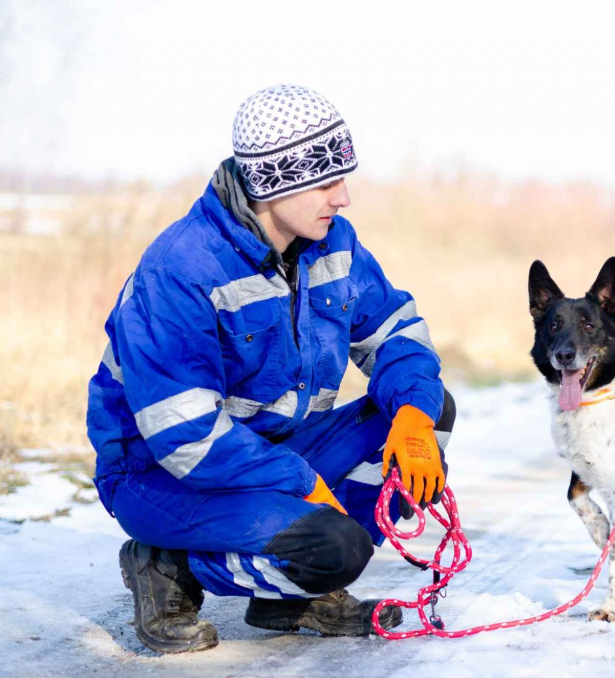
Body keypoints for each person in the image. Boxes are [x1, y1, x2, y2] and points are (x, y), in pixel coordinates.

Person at [86, 84, 455, 654]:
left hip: (274, 446)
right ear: (272, 182)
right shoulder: (181, 269)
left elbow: (396, 332)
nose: (345, 197)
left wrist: (413, 417)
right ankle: (168, 564)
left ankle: (293, 591)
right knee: (336, 549)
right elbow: (184, 436)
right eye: (327, 180)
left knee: (427, 411)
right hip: (160, 473)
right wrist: (301, 483)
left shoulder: (331, 242)